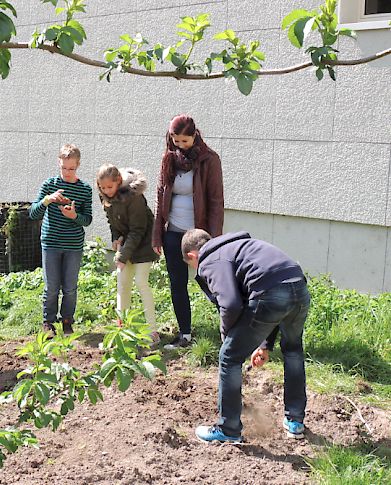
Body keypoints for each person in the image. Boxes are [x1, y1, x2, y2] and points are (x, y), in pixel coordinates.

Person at [181, 229, 310, 442]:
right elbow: (271, 286)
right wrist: (265, 345)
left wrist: (228, 338)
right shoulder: (237, 248)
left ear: (193, 256)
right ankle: (295, 421)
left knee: (229, 357)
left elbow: (230, 304)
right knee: (293, 349)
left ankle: (228, 429)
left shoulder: (210, 258)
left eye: (191, 264)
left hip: (271, 293)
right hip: (298, 286)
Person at [152, 114, 224, 350]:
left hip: (198, 235)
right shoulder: (169, 158)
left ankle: (231, 330)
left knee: (210, 282)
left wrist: (212, 240)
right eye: (176, 141)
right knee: (177, 284)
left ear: (194, 136)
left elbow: (215, 201)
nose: (180, 146)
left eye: (185, 141)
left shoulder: (209, 159)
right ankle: (185, 335)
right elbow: (160, 196)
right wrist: (157, 234)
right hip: (173, 232)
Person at [29, 144, 93, 337]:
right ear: (59, 163)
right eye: (64, 168)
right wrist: (47, 200)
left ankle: (67, 321)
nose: (67, 172)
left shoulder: (84, 189)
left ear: (78, 165)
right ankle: (48, 322)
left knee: (70, 287)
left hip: (73, 245)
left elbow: (87, 220)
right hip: (51, 243)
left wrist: (74, 216)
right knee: (51, 287)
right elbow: (33, 213)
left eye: (71, 168)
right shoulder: (49, 185)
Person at [96, 164, 160, 344]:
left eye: (110, 187)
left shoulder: (133, 197)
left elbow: (138, 230)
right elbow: (112, 224)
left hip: (144, 242)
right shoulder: (105, 196)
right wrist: (116, 238)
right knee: (122, 285)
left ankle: (152, 332)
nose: (106, 191)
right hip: (128, 243)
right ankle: (121, 329)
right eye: (103, 187)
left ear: (119, 181)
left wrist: (123, 257)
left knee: (140, 282)